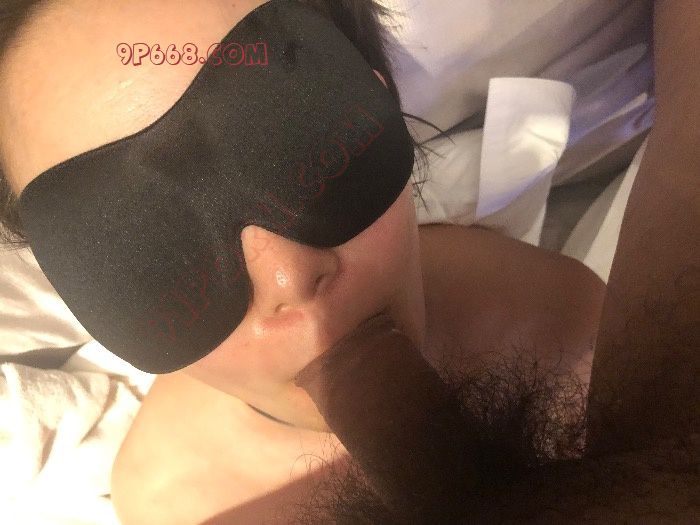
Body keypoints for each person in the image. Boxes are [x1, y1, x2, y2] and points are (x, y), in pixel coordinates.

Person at [0, 0, 636, 523]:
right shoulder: (176, 504)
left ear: (383, 101)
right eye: (146, 243)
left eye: (296, 148)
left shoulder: (565, 327)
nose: (290, 277)